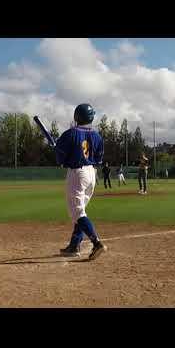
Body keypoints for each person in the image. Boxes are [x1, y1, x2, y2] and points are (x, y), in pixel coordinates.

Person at [55, 103, 107, 260]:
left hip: (77, 174)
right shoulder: (97, 136)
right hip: (91, 173)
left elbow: (60, 159)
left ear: (76, 116)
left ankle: (96, 243)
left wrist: (59, 153)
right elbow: (98, 158)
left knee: (77, 212)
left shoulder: (69, 134)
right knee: (81, 211)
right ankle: (74, 245)